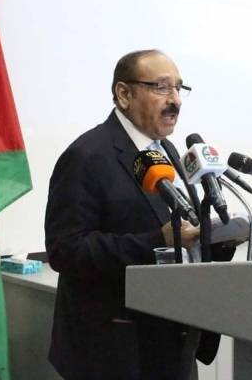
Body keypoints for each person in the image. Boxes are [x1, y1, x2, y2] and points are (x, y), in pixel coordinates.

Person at [45, 50, 235, 380]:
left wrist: (217, 239)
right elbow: (66, 250)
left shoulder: (168, 151)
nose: (175, 100)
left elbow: (181, 235)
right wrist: (156, 241)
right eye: (161, 87)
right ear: (124, 94)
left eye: (179, 88)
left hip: (175, 341)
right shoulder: (87, 155)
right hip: (113, 352)